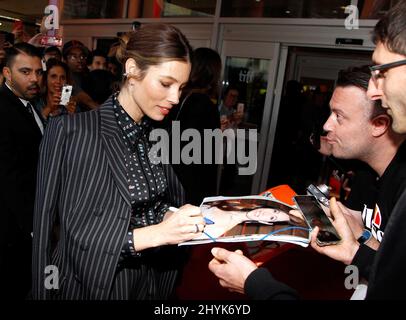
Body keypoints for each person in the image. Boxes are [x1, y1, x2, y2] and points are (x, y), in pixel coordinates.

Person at [32, 23, 206, 300]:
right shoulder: (73, 131)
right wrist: (158, 234)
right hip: (92, 285)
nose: (174, 98)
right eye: (165, 83)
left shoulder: (153, 135)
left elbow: (150, 202)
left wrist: (172, 215)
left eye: (181, 88)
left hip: (151, 283)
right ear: (133, 70)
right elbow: (67, 233)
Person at [209, 59, 406, 299]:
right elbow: (373, 242)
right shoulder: (366, 175)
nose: (326, 124)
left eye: (339, 116)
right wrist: (359, 231)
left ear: (379, 124)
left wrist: (355, 252)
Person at [0, 42, 44, 299]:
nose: (34, 79)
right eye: (25, 72)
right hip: (12, 227)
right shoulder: (4, 109)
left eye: (38, 72)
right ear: (7, 73)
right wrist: (33, 225)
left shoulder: (29, 104)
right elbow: (9, 177)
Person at [166, 47, 222, 205]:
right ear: (213, 72)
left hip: (171, 178)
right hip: (192, 186)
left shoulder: (178, 97)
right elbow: (206, 158)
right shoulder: (204, 104)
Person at [35, 58, 77, 124]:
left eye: (62, 77)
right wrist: (48, 108)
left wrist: (72, 114)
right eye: (53, 76)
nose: (58, 81)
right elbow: (33, 129)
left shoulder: (70, 104)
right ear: (45, 79)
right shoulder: (36, 103)